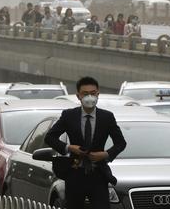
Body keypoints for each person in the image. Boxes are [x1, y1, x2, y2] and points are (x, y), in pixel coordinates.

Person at [45, 77, 126, 209]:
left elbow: (121, 143)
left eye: (93, 93)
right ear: (78, 96)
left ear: (98, 94)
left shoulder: (107, 117)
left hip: (99, 174)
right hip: (75, 173)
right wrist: (69, 148)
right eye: (85, 93)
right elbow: (50, 137)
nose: (89, 97)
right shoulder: (69, 116)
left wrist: (105, 154)